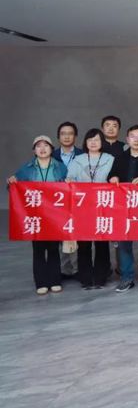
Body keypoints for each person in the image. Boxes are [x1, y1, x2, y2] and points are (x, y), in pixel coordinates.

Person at [7, 135, 68, 295]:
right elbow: (15, 190)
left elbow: (68, 188)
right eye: (38, 146)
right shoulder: (27, 168)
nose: (42, 149)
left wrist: (69, 182)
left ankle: (55, 280)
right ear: (34, 150)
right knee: (38, 249)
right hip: (35, 214)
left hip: (54, 214)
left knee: (54, 248)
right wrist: (11, 182)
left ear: (51, 149)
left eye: (46, 145)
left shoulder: (60, 167)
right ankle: (41, 282)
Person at [108, 125, 138, 292]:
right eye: (133, 136)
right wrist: (113, 178)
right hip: (123, 208)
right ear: (127, 140)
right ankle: (126, 277)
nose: (136, 140)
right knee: (124, 244)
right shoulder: (120, 158)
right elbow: (112, 175)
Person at [67, 128, 115, 290]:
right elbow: (70, 178)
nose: (93, 143)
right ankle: (85, 277)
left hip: (103, 206)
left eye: (97, 140)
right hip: (82, 207)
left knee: (102, 242)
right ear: (85, 142)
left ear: (102, 142)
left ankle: (101, 276)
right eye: (90, 140)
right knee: (84, 243)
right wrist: (69, 180)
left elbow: (114, 177)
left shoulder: (110, 159)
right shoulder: (78, 160)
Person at [52, 121, 82, 278]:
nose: (67, 137)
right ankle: (63, 270)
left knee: (78, 234)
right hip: (56, 202)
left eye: (70, 133)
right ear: (58, 137)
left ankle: (78, 269)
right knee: (59, 235)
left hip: (78, 201)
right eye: (63, 134)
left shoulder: (83, 154)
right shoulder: (51, 155)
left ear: (75, 136)